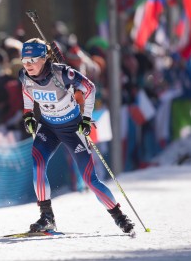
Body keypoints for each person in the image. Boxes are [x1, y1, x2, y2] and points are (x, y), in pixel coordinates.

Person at [19, 38, 134, 234]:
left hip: (72, 128)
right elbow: (28, 92)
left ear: (43, 58)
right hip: (47, 126)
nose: (28, 65)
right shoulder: (24, 76)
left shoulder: (62, 73)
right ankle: (47, 217)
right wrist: (28, 114)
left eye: (32, 60)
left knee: (90, 179)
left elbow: (90, 88)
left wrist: (87, 118)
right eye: (24, 60)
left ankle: (119, 217)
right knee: (38, 164)